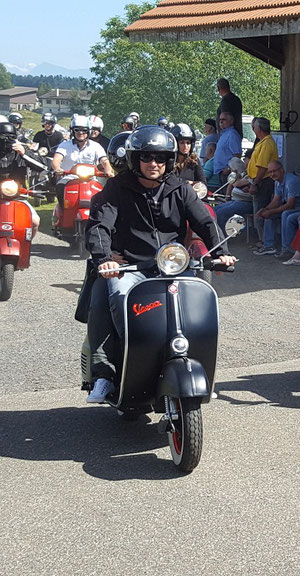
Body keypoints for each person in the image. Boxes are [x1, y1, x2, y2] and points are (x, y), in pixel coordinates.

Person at [83, 125, 235, 402]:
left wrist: (220, 251)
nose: (154, 164)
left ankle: (191, 356)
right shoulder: (117, 187)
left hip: (171, 266)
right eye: (147, 157)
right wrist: (104, 259)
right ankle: (121, 360)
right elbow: (99, 225)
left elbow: (204, 220)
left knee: (196, 305)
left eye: (161, 158)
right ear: (134, 159)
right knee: (117, 294)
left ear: (169, 160)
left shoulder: (179, 188)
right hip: (129, 266)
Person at [52, 115, 113, 231]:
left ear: (88, 132)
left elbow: (104, 160)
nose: (81, 133)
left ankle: (100, 220)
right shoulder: (65, 145)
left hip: (91, 179)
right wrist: (57, 168)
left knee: (103, 195)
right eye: (77, 130)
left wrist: (108, 170)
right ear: (72, 131)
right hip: (69, 177)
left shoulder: (96, 146)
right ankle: (63, 215)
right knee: (60, 187)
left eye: (84, 130)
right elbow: (57, 159)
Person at [254, 160, 300, 256]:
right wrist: (265, 210)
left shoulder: (291, 181)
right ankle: (269, 245)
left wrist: (271, 211)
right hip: (291, 207)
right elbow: (275, 201)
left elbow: (290, 204)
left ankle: (287, 248)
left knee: (285, 214)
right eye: (270, 172)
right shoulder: (277, 182)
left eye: (275, 171)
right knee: (268, 214)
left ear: (282, 170)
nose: (272, 174)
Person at [0, 122, 42, 237]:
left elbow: (42, 167)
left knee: (34, 221)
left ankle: (25, 248)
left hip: (18, 196)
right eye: (2, 137)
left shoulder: (21, 152)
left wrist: (24, 154)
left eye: (10, 137)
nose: (6, 140)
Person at [245, 117, 279, 229]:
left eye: (254, 127)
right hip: (259, 180)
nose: (253, 129)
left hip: (263, 182)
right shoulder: (262, 142)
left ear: (259, 128)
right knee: (258, 210)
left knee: (260, 211)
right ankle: (261, 240)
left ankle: (264, 241)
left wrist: (255, 183)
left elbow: (263, 167)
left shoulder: (267, 143)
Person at [212, 111, 242, 182]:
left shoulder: (232, 135)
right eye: (220, 120)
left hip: (227, 173)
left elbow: (237, 154)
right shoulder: (224, 134)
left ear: (231, 121)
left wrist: (229, 168)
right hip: (220, 172)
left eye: (224, 119)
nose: (221, 122)